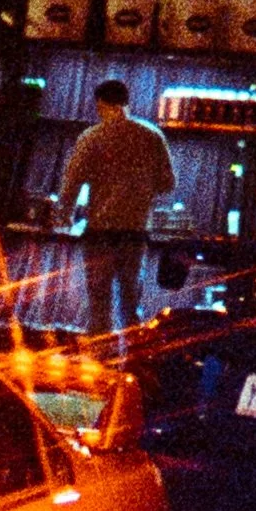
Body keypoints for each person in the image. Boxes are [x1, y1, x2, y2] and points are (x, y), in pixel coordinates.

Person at [55, 81, 174, 337]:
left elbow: (71, 183)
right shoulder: (152, 135)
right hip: (135, 232)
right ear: (127, 102)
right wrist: (139, 192)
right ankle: (135, 362)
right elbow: (168, 183)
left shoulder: (92, 137)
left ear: (100, 104)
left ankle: (102, 362)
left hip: (100, 232)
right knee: (131, 304)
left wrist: (63, 215)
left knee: (100, 305)